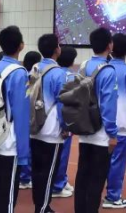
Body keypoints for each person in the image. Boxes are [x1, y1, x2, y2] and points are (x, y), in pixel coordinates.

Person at [0, 26, 30, 213]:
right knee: (7, 196)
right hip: (10, 143)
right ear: (21, 46)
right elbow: (22, 113)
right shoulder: (19, 72)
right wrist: (24, 153)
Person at [75, 28, 118, 213]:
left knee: (82, 175)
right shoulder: (108, 70)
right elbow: (108, 105)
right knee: (97, 178)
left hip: (84, 128)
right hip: (100, 133)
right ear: (109, 45)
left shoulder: (83, 66)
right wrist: (112, 134)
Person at [29, 34, 67, 213]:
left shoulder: (35, 68)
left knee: (37, 170)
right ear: (56, 49)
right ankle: (43, 207)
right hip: (51, 129)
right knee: (49, 172)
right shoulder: (59, 73)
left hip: (34, 125)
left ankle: (40, 204)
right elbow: (62, 103)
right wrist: (66, 127)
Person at [103, 33, 126, 210]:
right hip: (122, 125)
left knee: (102, 160)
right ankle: (113, 196)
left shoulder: (102, 69)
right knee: (118, 161)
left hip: (102, 125)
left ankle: (98, 194)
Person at [50, 46, 78, 200]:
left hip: (51, 120)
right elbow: (66, 102)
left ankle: (62, 179)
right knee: (62, 153)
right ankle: (57, 184)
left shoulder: (54, 72)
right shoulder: (70, 76)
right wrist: (66, 124)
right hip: (63, 120)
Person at [19, 51, 43, 190]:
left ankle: (24, 176)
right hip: (30, 115)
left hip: (23, 116)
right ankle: (25, 177)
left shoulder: (25, 74)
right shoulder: (31, 77)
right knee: (29, 149)